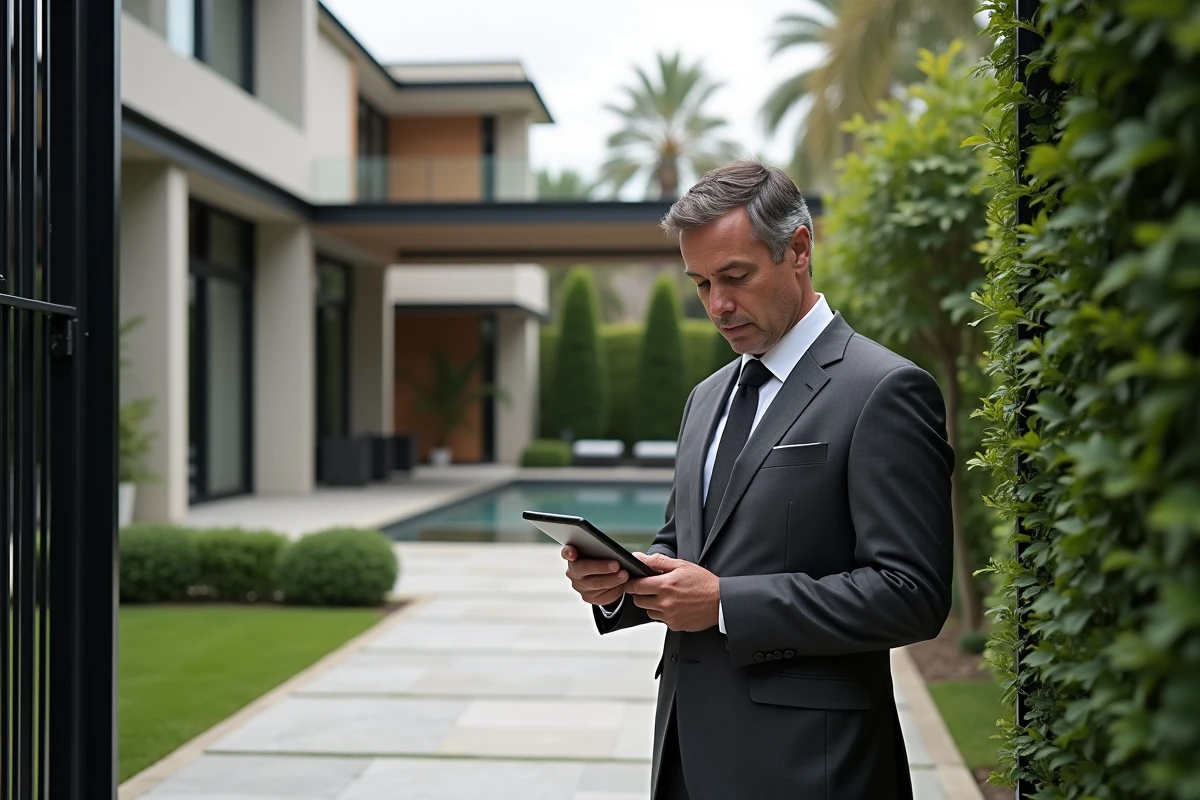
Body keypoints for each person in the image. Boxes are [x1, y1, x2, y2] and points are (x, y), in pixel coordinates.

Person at [561, 160, 954, 799]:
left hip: (813, 770)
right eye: (700, 284)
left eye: (736, 277)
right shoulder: (705, 396)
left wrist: (725, 604)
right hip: (686, 757)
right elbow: (683, 546)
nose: (718, 305)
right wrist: (620, 584)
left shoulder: (884, 389)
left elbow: (911, 593)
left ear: (798, 249)